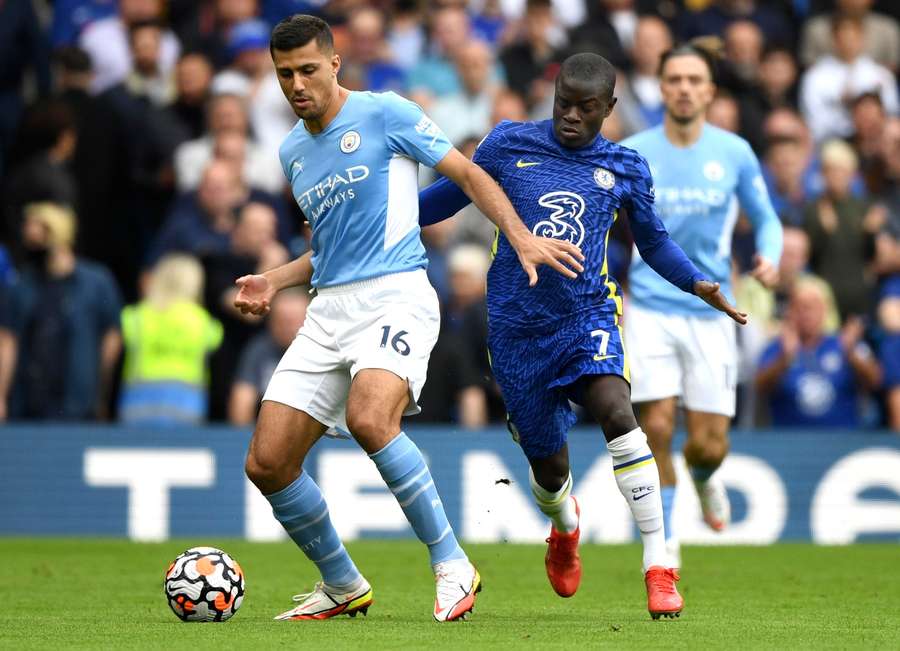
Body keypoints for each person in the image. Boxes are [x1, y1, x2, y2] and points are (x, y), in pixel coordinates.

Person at [231, 15, 582, 623]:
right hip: (328, 309)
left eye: (308, 69)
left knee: (372, 417)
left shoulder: (386, 112)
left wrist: (520, 236)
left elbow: (470, 173)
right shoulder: (291, 151)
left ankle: (452, 565)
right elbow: (334, 249)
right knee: (266, 462)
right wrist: (276, 278)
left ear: (335, 64)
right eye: (285, 73)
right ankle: (342, 583)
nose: (296, 84)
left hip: (396, 295)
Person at [418, 52, 749, 619]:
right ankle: (564, 526)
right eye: (563, 104)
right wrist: (376, 218)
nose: (571, 116)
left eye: (586, 108)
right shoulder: (506, 145)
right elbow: (445, 201)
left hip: (588, 316)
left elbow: (653, 243)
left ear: (610, 109)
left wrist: (698, 283)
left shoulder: (624, 166)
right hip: (517, 331)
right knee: (550, 474)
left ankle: (659, 565)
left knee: (619, 412)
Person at [621, 42, 783, 568]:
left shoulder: (733, 152)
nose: (684, 88)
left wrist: (770, 255)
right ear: (662, 87)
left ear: (710, 91)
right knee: (659, 427)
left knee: (709, 445)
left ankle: (705, 478)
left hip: (714, 311)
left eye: (695, 80)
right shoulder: (635, 150)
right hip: (649, 305)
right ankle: (664, 546)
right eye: (675, 79)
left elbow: (767, 217)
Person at [755, 279, 881, 428]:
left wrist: (851, 354)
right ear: (790, 311)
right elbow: (760, 387)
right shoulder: (777, 346)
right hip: (788, 441)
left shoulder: (845, 344)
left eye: (812, 307)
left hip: (843, 440)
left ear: (825, 310)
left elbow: (876, 381)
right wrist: (785, 359)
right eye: (800, 307)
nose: (806, 313)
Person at [119, 254, 223, 425]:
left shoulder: (134, 317)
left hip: (137, 409)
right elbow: (216, 340)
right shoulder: (204, 323)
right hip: (187, 409)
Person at [228, 288, 309, 426]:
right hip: (268, 428)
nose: (287, 328)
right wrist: (243, 439)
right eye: (281, 321)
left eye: (293, 322)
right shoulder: (259, 350)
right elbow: (241, 403)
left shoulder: (324, 350)